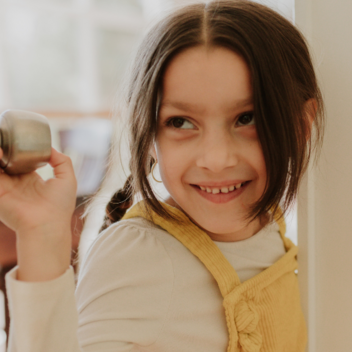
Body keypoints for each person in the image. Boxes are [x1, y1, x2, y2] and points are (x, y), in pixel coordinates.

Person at [0, 1, 325, 351]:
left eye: (247, 118)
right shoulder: (137, 256)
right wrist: (43, 238)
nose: (216, 159)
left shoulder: (283, 235)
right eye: (180, 122)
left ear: (300, 125)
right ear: (149, 138)